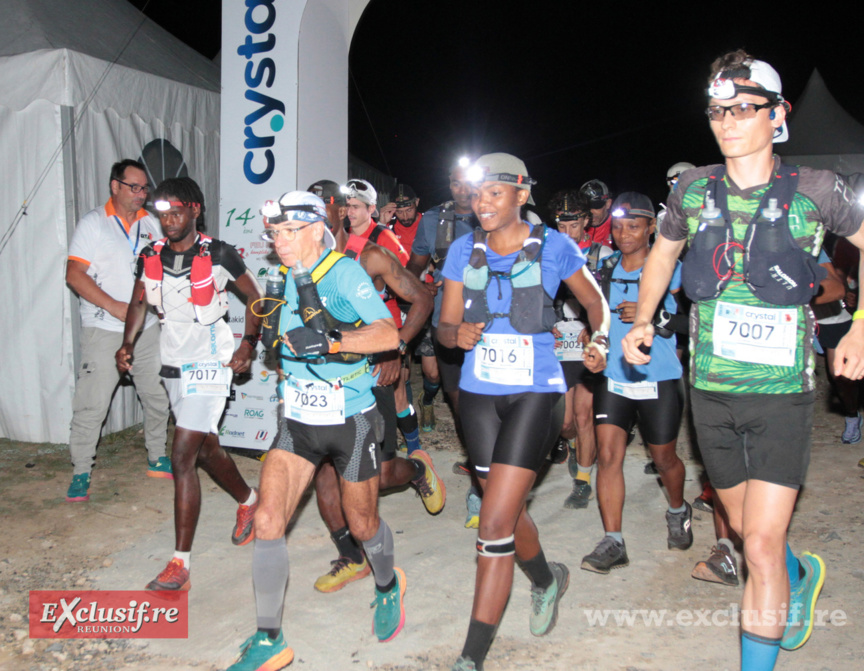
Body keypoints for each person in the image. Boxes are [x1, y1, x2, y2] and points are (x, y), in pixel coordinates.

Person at [622, 50, 864, 669]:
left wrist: (860, 325)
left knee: (756, 544)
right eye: (717, 112)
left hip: (782, 395)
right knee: (750, 531)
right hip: (710, 393)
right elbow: (662, 255)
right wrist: (644, 319)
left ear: (778, 114)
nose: (728, 122)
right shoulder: (692, 188)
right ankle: (797, 574)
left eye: (743, 110)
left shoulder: (816, 189)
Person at [438, 153, 610, 671]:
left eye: (495, 193)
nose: (482, 202)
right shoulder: (460, 252)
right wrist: (456, 334)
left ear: (520, 195)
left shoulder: (555, 246)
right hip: (479, 395)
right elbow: (445, 327)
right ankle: (546, 578)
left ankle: (471, 657)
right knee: (506, 508)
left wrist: (597, 338)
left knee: (492, 524)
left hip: (536, 391)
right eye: (477, 193)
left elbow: (595, 303)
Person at [228, 191, 403, 670]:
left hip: (351, 419)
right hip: (299, 423)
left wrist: (333, 339)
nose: (279, 242)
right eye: (274, 234)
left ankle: (388, 585)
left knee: (363, 525)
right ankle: (270, 639)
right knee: (268, 521)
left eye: (288, 233)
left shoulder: (343, 272)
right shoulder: (283, 277)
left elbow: (388, 334)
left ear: (314, 229)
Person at [116, 177, 261, 591]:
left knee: (181, 455)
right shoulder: (150, 255)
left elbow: (256, 298)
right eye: (162, 214)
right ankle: (250, 501)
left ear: (195, 209)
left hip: (212, 362)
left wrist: (249, 343)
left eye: (176, 212)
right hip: (174, 362)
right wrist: (126, 343)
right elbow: (139, 301)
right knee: (206, 449)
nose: (168, 221)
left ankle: (180, 563)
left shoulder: (218, 253)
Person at [303, 180, 442, 594]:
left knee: (372, 478)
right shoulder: (297, 264)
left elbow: (422, 298)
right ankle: (352, 556)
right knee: (324, 474)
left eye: (321, 207)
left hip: (368, 379)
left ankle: (417, 469)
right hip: (320, 385)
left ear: (340, 211)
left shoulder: (369, 256)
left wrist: (395, 348)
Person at [580, 192, 691, 574]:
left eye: (634, 226)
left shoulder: (670, 267)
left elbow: (693, 323)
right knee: (609, 457)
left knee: (664, 459)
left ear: (651, 228)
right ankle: (614, 540)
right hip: (615, 378)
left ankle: (678, 510)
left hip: (657, 377)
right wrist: (594, 343)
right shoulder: (606, 268)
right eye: (618, 226)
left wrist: (655, 317)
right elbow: (598, 323)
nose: (624, 233)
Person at [65, 159, 171, 502]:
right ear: (115, 186)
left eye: (145, 189)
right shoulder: (93, 223)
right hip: (104, 325)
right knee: (92, 404)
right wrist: (115, 307)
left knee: (156, 395)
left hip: (148, 327)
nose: (141, 194)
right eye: (134, 187)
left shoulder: (152, 224)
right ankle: (81, 470)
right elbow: (74, 275)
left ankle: (157, 455)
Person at [548, 190, 613, 509]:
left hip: (587, 341)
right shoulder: (547, 253)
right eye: (560, 225)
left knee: (585, 416)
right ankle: (572, 445)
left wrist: (600, 332)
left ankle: (583, 481)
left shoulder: (603, 253)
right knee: (565, 422)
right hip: (559, 341)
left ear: (586, 221)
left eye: (572, 224)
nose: (566, 232)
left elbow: (610, 300)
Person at [579, 179, 614, 247]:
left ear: (608, 204)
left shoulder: (618, 227)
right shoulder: (574, 227)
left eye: (596, 206)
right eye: (586, 207)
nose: (591, 212)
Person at [389, 183, 423, 253]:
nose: (405, 217)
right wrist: (382, 223)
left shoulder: (428, 223)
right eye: (399, 212)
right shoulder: (389, 226)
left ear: (417, 202)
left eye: (409, 210)